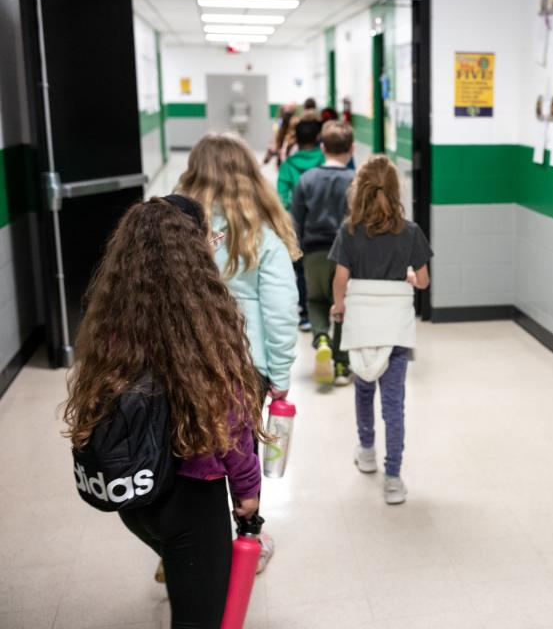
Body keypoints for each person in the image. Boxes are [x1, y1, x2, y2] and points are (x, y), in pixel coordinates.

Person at [63, 196, 266, 628]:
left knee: (181, 573)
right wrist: (247, 490)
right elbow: (227, 421)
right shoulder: (200, 325)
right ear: (192, 251)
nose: (214, 244)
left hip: (135, 497)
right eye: (209, 237)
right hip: (191, 501)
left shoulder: (118, 319)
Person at [178, 132, 302, 573]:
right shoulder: (261, 234)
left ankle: (187, 541)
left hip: (183, 359)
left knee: (190, 447)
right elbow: (282, 309)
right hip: (244, 364)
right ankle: (247, 537)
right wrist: (281, 369)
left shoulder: (177, 230)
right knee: (239, 449)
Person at [328, 155, 432, 504]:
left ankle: (367, 450)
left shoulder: (349, 232)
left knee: (363, 389)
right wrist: (408, 276)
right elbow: (423, 281)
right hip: (395, 331)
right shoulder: (411, 232)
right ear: (395, 190)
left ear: (359, 191)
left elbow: (340, 279)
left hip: (362, 327)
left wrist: (339, 306)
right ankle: (393, 477)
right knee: (394, 404)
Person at [291, 120, 356, 386]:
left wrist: (297, 252)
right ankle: (342, 366)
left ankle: (320, 338)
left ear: (322, 147)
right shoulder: (355, 181)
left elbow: (295, 220)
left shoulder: (306, 179)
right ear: (351, 149)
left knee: (316, 300)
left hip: (314, 251)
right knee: (343, 305)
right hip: (346, 255)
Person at [278, 117, 325, 332]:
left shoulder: (288, 165)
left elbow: (281, 197)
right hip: (326, 223)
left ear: (296, 138)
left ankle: (305, 314)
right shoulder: (325, 160)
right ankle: (327, 311)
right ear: (318, 138)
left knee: (302, 269)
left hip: (298, 226)